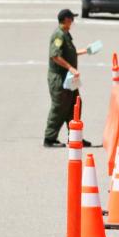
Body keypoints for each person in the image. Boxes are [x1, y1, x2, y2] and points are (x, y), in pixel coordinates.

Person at [44, 8, 92, 148]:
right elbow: (55, 56)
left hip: (69, 78)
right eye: (71, 18)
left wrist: (86, 51)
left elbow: (69, 53)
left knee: (75, 104)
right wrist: (71, 67)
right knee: (59, 107)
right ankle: (49, 138)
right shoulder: (59, 35)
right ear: (66, 19)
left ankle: (75, 136)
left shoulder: (65, 34)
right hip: (59, 78)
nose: (73, 21)